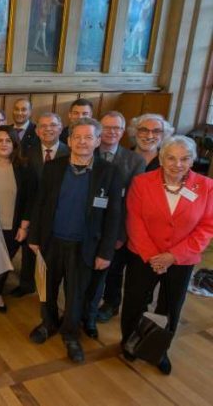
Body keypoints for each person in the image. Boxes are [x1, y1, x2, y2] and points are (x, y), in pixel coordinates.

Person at [27, 118, 123, 363]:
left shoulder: (109, 173)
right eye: (77, 137)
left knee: (76, 294)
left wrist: (105, 252)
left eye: (88, 137)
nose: (82, 142)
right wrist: (35, 237)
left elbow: (113, 216)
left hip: (85, 246)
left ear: (98, 141)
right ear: (68, 141)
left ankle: (70, 334)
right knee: (47, 288)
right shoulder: (53, 168)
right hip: (51, 241)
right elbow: (39, 204)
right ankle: (48, 324)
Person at [122, 136, 213, 375]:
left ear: (193, 160)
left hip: (182, 260)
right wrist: (154, 256)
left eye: (184, 158)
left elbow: (207, 226)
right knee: (135, 301)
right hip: (144, 256)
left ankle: (158, 350)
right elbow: (134, 220)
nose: (178, 164)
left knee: (170, 305)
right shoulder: (142, 182)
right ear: (161, 159)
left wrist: (173, 256)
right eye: (171, 157)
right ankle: (130, 342)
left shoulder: (206, 186)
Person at [84, 112, 145, 334]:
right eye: (107, 128)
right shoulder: (88, 152)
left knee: (108, 273)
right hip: (87, 226)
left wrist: (120, 234)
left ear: (123, 131)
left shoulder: (134, 161)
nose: (111, 132)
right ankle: (80, 309)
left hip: (114, 228)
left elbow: (132, 202)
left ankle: (101, 309)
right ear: (99, 131)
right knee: (84, 274)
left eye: (116, 128)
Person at [0, 126, 35, 313]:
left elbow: (29, 199)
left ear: (14, 144)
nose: (4, 144)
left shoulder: (24, 168)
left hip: (14, 227)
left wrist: (24, 226)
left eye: (8, 141)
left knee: (5, 263)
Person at [17, 112, 68, 297]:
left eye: (53, 125)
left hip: (59, 213)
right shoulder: (26, 154)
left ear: (60, 128)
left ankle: (48, 289)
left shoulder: (70, 152)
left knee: (53, 254)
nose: (48, 129)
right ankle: (26, 284)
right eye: (43, 126)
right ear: (37, 131)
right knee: (29, 250)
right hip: (32, 210)